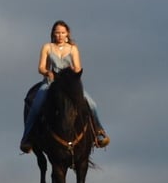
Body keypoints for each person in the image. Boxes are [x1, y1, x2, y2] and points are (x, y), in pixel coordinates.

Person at [20, 20, 110, 153]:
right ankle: (27, 138)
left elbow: (78, 67)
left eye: (62, 32)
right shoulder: (47, 47)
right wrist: (48, 72)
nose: (60, 35)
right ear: (53, 34)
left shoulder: (73, 48)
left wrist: (72, 71)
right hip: (51, 83)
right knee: (36, 105)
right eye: (57, 32)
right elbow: (41, 67)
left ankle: (99, 131)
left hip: (69, 84)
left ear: (67, 33)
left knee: (92, 104)